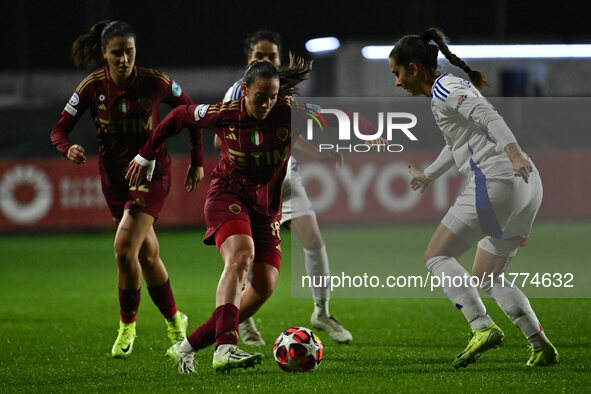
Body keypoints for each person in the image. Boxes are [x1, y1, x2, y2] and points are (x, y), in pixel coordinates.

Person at [126, 57, 312, 373]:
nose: (266, 103)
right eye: (260, 96)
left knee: (264, 286)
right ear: (244, 92)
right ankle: (226, 347)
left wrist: (371, 133)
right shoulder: (225, 114)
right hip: (228, 196)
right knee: (241, 256)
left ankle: (185, 348)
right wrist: (146, 153)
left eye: (272, 96)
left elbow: (339, 115)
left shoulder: (289, 112)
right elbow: (178, 116)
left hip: (266, 210)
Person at [389, 27, 559, 368]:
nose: (396, 82)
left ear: (414, 68)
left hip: (498, 179)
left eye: (397, 73)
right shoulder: (448, 90)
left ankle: (481, 327)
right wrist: (428, 175)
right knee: (488, 276)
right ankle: (541, 347)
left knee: (436, 256)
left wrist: (512, 154)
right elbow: (457, 144)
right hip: (526, 186)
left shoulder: (445, 88)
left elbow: (488, 117)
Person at [51, 20, 204, 359]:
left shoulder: (154, 82)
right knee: (147, 256)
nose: (124, 59)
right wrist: (67, 148)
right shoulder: (92, 87)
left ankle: (126, 326)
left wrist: (197, 161)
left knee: (123, 249)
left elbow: (191, 112)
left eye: (129, 52)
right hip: (115, 181)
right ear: (104, 53)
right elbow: (59, 130)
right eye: (117, 53)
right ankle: (176, 320)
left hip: (152, 173)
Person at [219, 29, 352, 346]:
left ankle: (321, 312)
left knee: (313, 238)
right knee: (246, 257)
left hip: (286, 179)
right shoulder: (237, 92)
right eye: (260, 56)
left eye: (272, 56)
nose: (267, 61)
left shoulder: (282, 92)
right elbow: (217, 136)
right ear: (249, 59)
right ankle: (245, 321)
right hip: (251, 185)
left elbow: (290, 133)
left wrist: (318, 153)